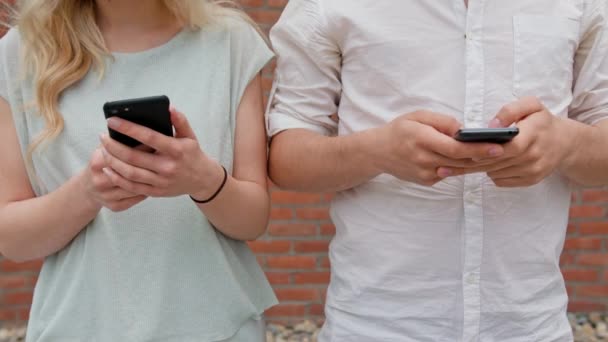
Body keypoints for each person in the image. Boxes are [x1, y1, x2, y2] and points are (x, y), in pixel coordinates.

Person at [266, 0, 608, 341]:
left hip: (532, 325)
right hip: (375, 324)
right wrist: (377, 152)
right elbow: (286, 159)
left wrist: (566, 144)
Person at [0, 0, 276, 340]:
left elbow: (253, 219)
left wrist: (203, 179)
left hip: (217, 327)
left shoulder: (231, 41)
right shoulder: (21, 51)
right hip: (79, 327)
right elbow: (10, 239)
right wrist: (87, 192)